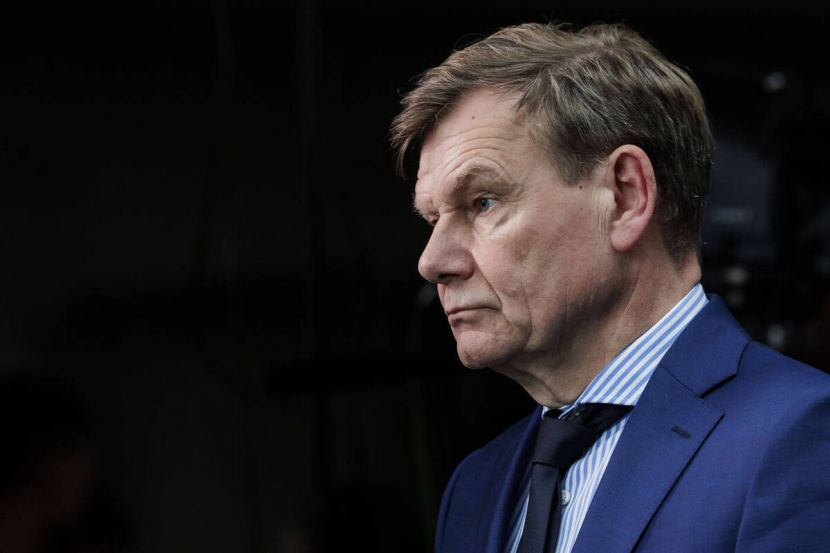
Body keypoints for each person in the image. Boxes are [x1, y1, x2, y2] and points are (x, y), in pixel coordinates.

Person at [389, 22, 830, 553]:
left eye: (483, 202)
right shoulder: (475, 487)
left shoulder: (799, 437)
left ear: (625, 196)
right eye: (432, 219)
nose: (432, 262)